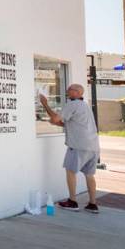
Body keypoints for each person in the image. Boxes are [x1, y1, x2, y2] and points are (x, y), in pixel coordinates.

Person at [39, 84, 100, 213]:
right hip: (93, 146)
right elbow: (66, 123)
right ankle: (93, 204)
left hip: (78, 145)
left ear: (77, 92)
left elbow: (56, 118)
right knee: (89, 175)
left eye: (70, 89)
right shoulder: (85, 106)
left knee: (70, 171)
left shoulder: (73, 104)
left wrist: (45, 104)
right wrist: (55, 121)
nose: (67, 91)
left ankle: (72, 201)